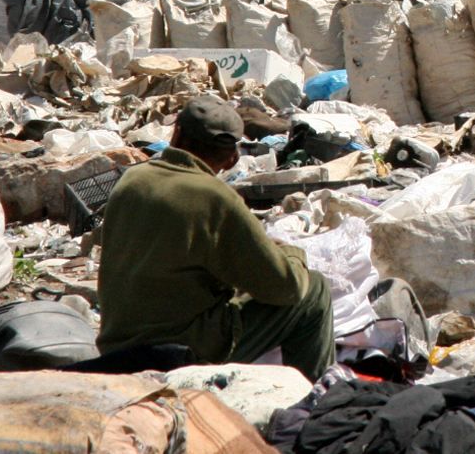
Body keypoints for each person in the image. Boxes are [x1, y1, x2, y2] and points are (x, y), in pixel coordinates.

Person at [96, 96, 335, 378]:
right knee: (314, 291)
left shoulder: (132, 180)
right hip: (177, 354)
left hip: (116, 346)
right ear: (233, 156)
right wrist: (293, 254)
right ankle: (316, 404)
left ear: (175, 134)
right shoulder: (217, 199)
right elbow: (287, 288)